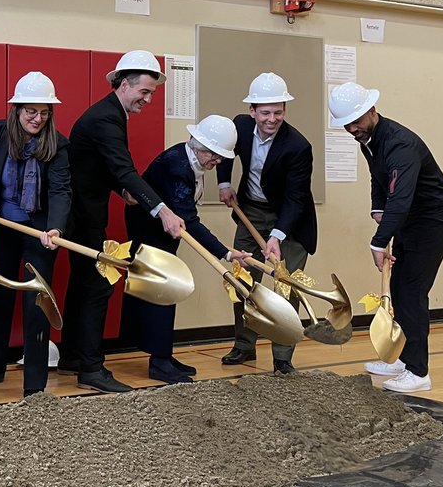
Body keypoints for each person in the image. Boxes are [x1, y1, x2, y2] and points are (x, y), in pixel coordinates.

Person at [58, 50, 185, 393]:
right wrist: (163, 210)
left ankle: (72, 355)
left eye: (152, 93)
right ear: (124, 84)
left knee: (83, 287)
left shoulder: (109, 113)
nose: (148, 99)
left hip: (82, 214)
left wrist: (121, 190)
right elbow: (123, 168)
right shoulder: (106, 119)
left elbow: (103, 166)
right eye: (144, 91)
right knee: (97, 287)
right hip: (83, 218)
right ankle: (91, 369)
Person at [329, 82, 443, 393]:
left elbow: (400, 197)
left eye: (357, 121)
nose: (352, 128)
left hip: (432, 221)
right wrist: (376, 208)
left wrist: (378, 241)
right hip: (408, 219)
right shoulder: (369, 140)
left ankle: (418, 372)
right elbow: (379, 178)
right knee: (399, 289)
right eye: (347, 124)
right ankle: (401, 358)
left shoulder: (400, 144)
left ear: (372, 111)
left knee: (412, 292)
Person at [124, 116, 251, 383]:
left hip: (162, 233)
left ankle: (163, 354)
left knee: (167, 293)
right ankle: (159, 361)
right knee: (162, 291)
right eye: (214, 157)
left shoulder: (188, 159)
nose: (217, 163)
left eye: (220, 159)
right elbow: (189, 220)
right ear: (200, 146)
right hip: (150, 235)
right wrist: (225, 253)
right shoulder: (178, 166)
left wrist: (225, 252)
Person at [216, 72, 317, 374]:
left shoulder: (298, 146)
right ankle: (244, 346)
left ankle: (283, 356)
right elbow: (225, 151)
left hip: (291, 222)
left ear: (285, 110)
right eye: (266, 112)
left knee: (286, 285)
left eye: (278, 112)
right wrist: (223, 183)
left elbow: (296, 198)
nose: (272, 119)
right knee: (242, 280)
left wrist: (276, 235)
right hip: (251, 212)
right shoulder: (241, 126)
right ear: (252, 111)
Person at [0, 72, 70, 396]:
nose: (38, 118)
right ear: (16, 110)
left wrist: (55, 227)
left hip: (39, 233)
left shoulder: (58, 144)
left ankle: (34, 387)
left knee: (36, 305)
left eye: (45, 112)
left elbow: (61, 190)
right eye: (31, 111)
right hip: (3, 228)